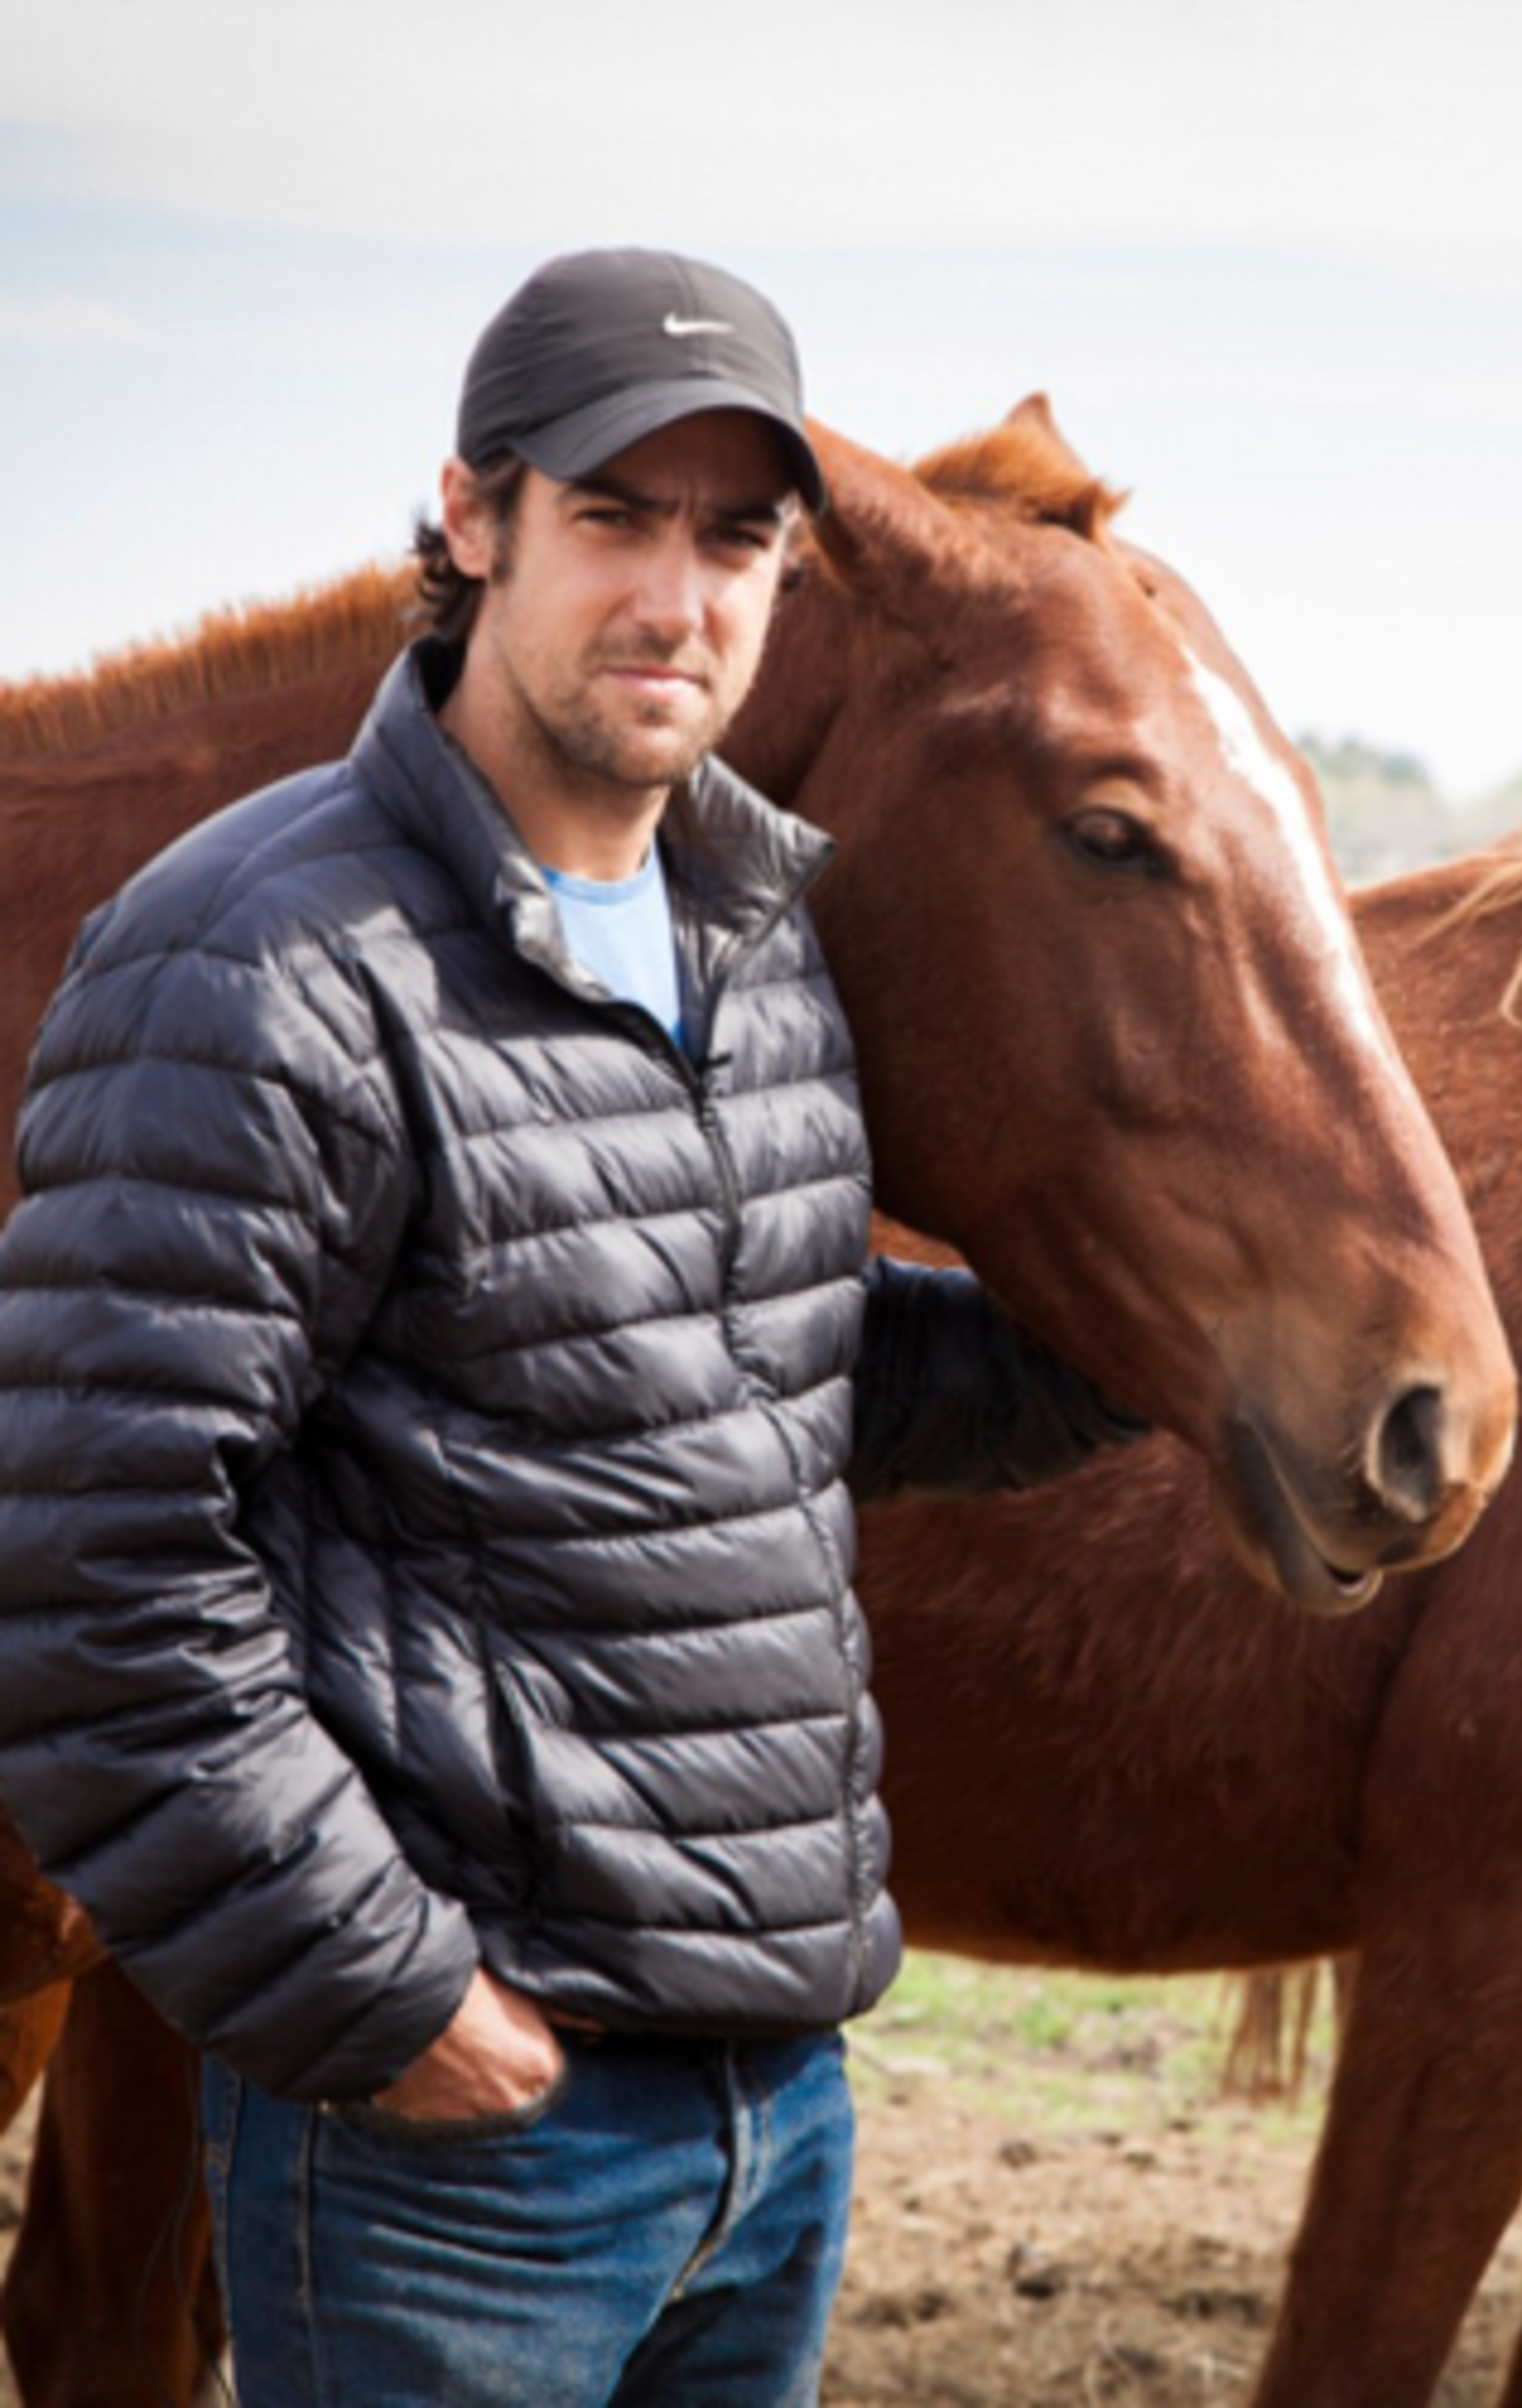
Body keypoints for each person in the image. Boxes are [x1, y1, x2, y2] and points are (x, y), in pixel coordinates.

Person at [0, 248, 1141, 2404]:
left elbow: (755, 1370)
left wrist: (1129, 1329)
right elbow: (96, 1570)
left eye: (739, 541)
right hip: (457, 2143)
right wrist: (388, 2000)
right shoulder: (254, 958)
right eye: (613, 518)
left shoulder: (757, 936)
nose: (678, 597)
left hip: (767, 2111)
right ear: (469, 522)